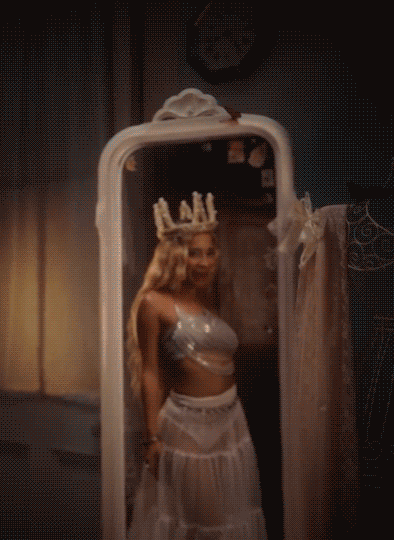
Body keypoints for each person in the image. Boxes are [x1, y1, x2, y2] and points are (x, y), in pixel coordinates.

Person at [126, 192, 267, 539]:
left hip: (232, 421)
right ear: (176, 257)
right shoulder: (154, 303)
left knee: (234, 517)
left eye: (210, 252)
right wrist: (151, 438)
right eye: (194, 253)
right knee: (204, 523)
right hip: (187, 425)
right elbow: (149, 371)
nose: (204, 262)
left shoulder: (212, 299)